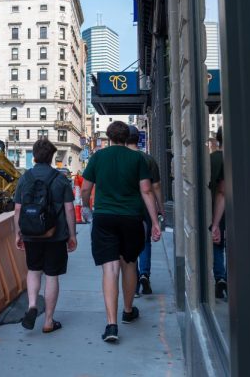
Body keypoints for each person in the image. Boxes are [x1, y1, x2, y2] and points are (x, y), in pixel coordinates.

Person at [81, 121, 161, 343]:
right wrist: (155, 221)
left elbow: (86, 188)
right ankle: (127, 310)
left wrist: (86, 207)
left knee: (110, 268)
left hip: (104, 217)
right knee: (129, 263)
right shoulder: (137, 158)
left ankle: (111, 324)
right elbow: (146, 190)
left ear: (108, 136)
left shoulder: (98, 157)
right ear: (127, 138)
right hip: (131, 218)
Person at [13, 138, 77, 333]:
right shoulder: (60, 179)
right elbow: (69, 209)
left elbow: (17, 209)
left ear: (34, 156)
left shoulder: (25, 178)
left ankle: (32, 305)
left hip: (31, 234)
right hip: (55, 235)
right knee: (52, 275)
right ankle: (48, 320)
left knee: (33, 270)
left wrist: (18, 233)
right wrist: (72, 235)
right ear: (51, 157)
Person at [124, 125, 162, 296]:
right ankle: (145, 274)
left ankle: (135, 280)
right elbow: (156, 187)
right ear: (138, 139)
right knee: (145, 242)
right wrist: (160, 208)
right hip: (146, 208)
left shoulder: (122, 158)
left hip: (126, 208)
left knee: (128, 245)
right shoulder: (148, 159)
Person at [209, 127, 227, 299]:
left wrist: (214, 222)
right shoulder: (236, 158)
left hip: (215, 207)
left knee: (217, 244)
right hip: (237, 209)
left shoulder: (210, 159)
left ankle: (220, 278)